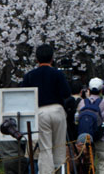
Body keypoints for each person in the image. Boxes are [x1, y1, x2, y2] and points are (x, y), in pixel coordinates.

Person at [20, 44, 71, 174]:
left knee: (45, 148)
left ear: (36, 59)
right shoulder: (58, 74)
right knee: (59, 145)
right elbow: (66, 93)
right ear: (52, 58)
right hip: (57, 110)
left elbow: (24, 96)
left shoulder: (30, 76)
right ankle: (61, 170)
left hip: (40, 112)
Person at [77, 77, 104, 174]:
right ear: (101, 90)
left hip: (85, 137)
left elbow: (78, 117)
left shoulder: (82, 102)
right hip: (101, 136)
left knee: (89, 161)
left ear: (89, 90)